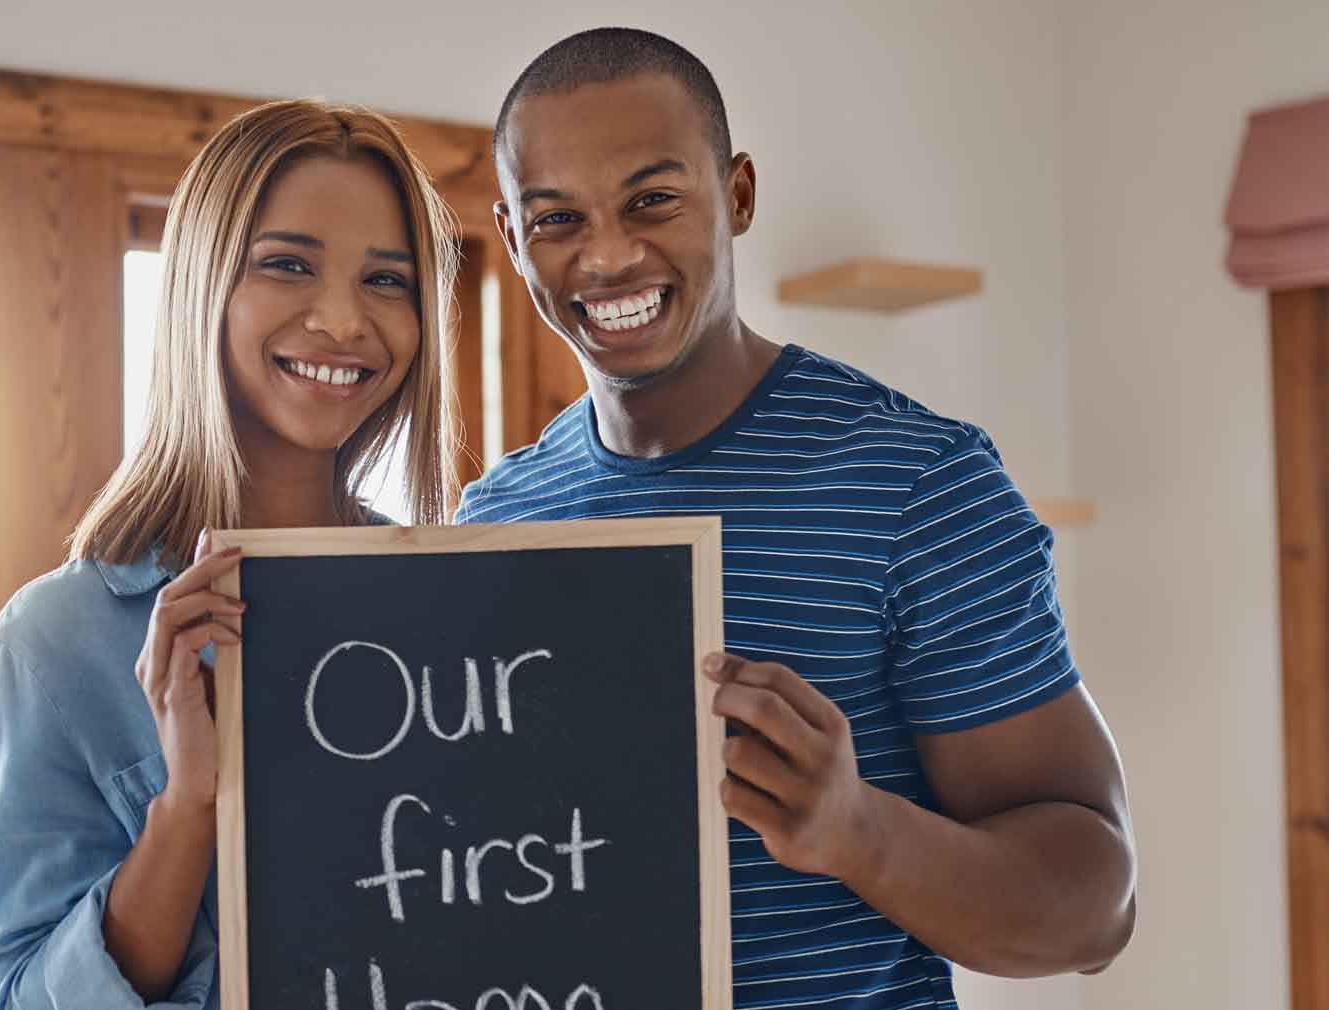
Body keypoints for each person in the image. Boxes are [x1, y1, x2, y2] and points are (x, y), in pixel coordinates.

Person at [459, 27, 1137, 1008]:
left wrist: (863, 833)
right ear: (514, 239)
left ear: (737, 194)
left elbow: (1099, 906)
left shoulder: (918, 482)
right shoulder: (495, 519)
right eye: (557, 217)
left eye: (653, 199)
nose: (608, 254)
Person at [0, 99, 464, 1010]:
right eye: (287, 265)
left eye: (388, 282)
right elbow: (27, 997)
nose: (345, 321)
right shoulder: (51, 645)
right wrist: (188, 806)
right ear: (202, 286)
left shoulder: (455, 606)